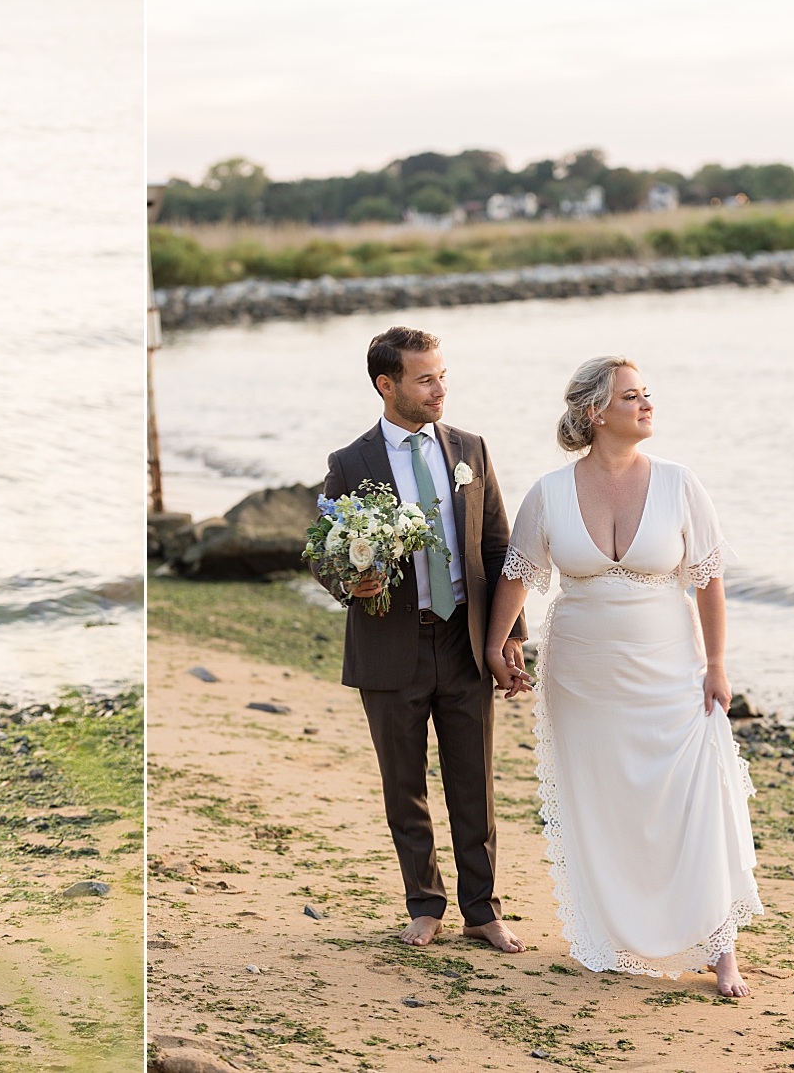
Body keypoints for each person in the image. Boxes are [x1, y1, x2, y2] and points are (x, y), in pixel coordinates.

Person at [486, 356, 760, 997]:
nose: (646, 404)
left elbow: (709, 580)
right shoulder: (550, 492)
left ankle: (723, 951)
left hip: (672, 672)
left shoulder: (679, 482)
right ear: (595, 413)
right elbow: (519, 574)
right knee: (601, 805)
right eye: (631, 396)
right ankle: (607, 933)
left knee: (696, 801)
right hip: (582, 681)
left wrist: (717, 665)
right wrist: (498, 646)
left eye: (647, 393)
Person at [313, 326, 526, 952]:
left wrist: (508, 636)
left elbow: (498, 547)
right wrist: (348, 581)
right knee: (403, 786)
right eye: (424, 378)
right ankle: (424, 904)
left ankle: (482, 910)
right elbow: (323, 551)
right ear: (388, 385)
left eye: (442, 375)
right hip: (389, 648)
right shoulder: (350, 464)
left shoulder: (470, 449)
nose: (440, 389)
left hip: (463, 642)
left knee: (474, 783)